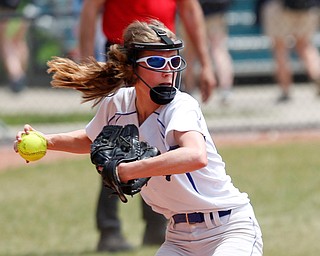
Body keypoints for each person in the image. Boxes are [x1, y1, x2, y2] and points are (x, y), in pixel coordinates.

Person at [14, 19, 263, 256]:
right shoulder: (118, 103)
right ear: (132, 67)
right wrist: (48, 142)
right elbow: (92, 139)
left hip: (228, 229)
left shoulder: (180, 105)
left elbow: (195, 156)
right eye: (156, 62)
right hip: (180, 238)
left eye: (174, 62)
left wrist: (130, 170)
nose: (168, 71)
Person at [78, 0, 217, 252]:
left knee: (164, 143)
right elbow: (90, 11)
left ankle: (157, 227)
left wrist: (206, 64)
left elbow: (190, 11)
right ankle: (109, 229)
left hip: (164, 57)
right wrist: (88, 61)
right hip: (128, 57)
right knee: (112, 146)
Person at [258, 0, 320, 102]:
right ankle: (317, 74)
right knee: (304, 45)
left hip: (279, 7)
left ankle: (285, 90)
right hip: (307, 7)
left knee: (280, 49)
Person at [180, 0, 234, 104]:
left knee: (191, 53)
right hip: (211, 12)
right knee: (218, 50)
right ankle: (225, 90)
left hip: (196, 11)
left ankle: (190, 91)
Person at [0, 1, 29, 93]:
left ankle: (17, 77)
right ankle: (19, 76)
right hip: (20, 10)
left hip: (10, 11)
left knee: (7, 45)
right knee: (17, 43)